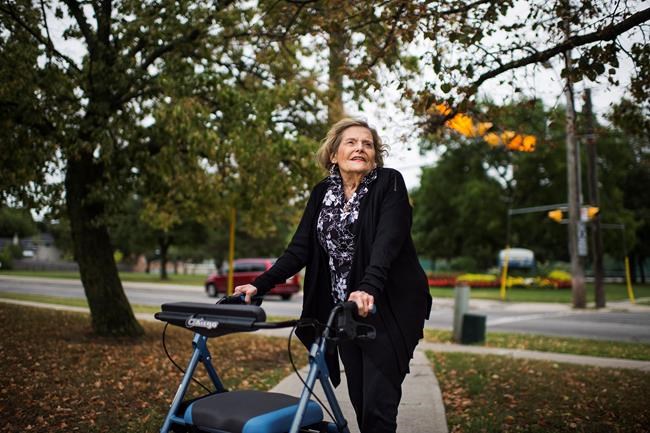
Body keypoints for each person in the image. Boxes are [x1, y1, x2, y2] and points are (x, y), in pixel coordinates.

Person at [234, 117, 432, 433]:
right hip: (346, 311)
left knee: (378, 405)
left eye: (368, 144)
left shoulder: (389, 183)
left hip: (388, 306)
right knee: (360, 398)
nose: (360, 148)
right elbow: (299, 250)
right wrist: (259, 285)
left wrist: (367, 288)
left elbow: (388, 242)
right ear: (333, 154)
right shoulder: (322, 193)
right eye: (351, 142)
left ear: (375, 155)